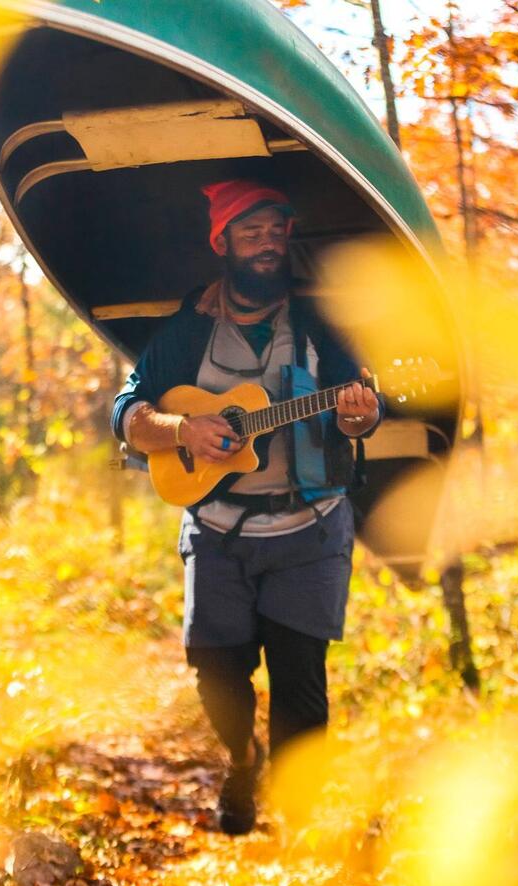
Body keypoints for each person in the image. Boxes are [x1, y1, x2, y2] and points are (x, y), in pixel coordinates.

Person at [111, 179, 383, 835]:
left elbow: (361, 411)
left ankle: (299, 822)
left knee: (302, 687)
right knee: (216, 673)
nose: (267, 244)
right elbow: (128, 413)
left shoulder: (319, 323)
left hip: (309, 530)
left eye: (275, 231)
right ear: (224, 243)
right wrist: (182, 430)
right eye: (251, 232)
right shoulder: (190, 328)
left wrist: (358, 416)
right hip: (217, 533)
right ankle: (243, 757)